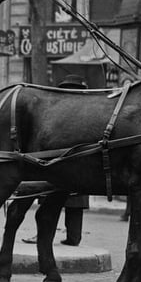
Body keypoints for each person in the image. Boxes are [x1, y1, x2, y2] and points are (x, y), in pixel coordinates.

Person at [53, 75, 91, 245]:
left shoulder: (60, 109)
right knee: (75, 204)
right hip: (83, 164)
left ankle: (45, 235)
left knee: (52, 202)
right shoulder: (88, 109)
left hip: (61, 163)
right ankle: (74, 237)